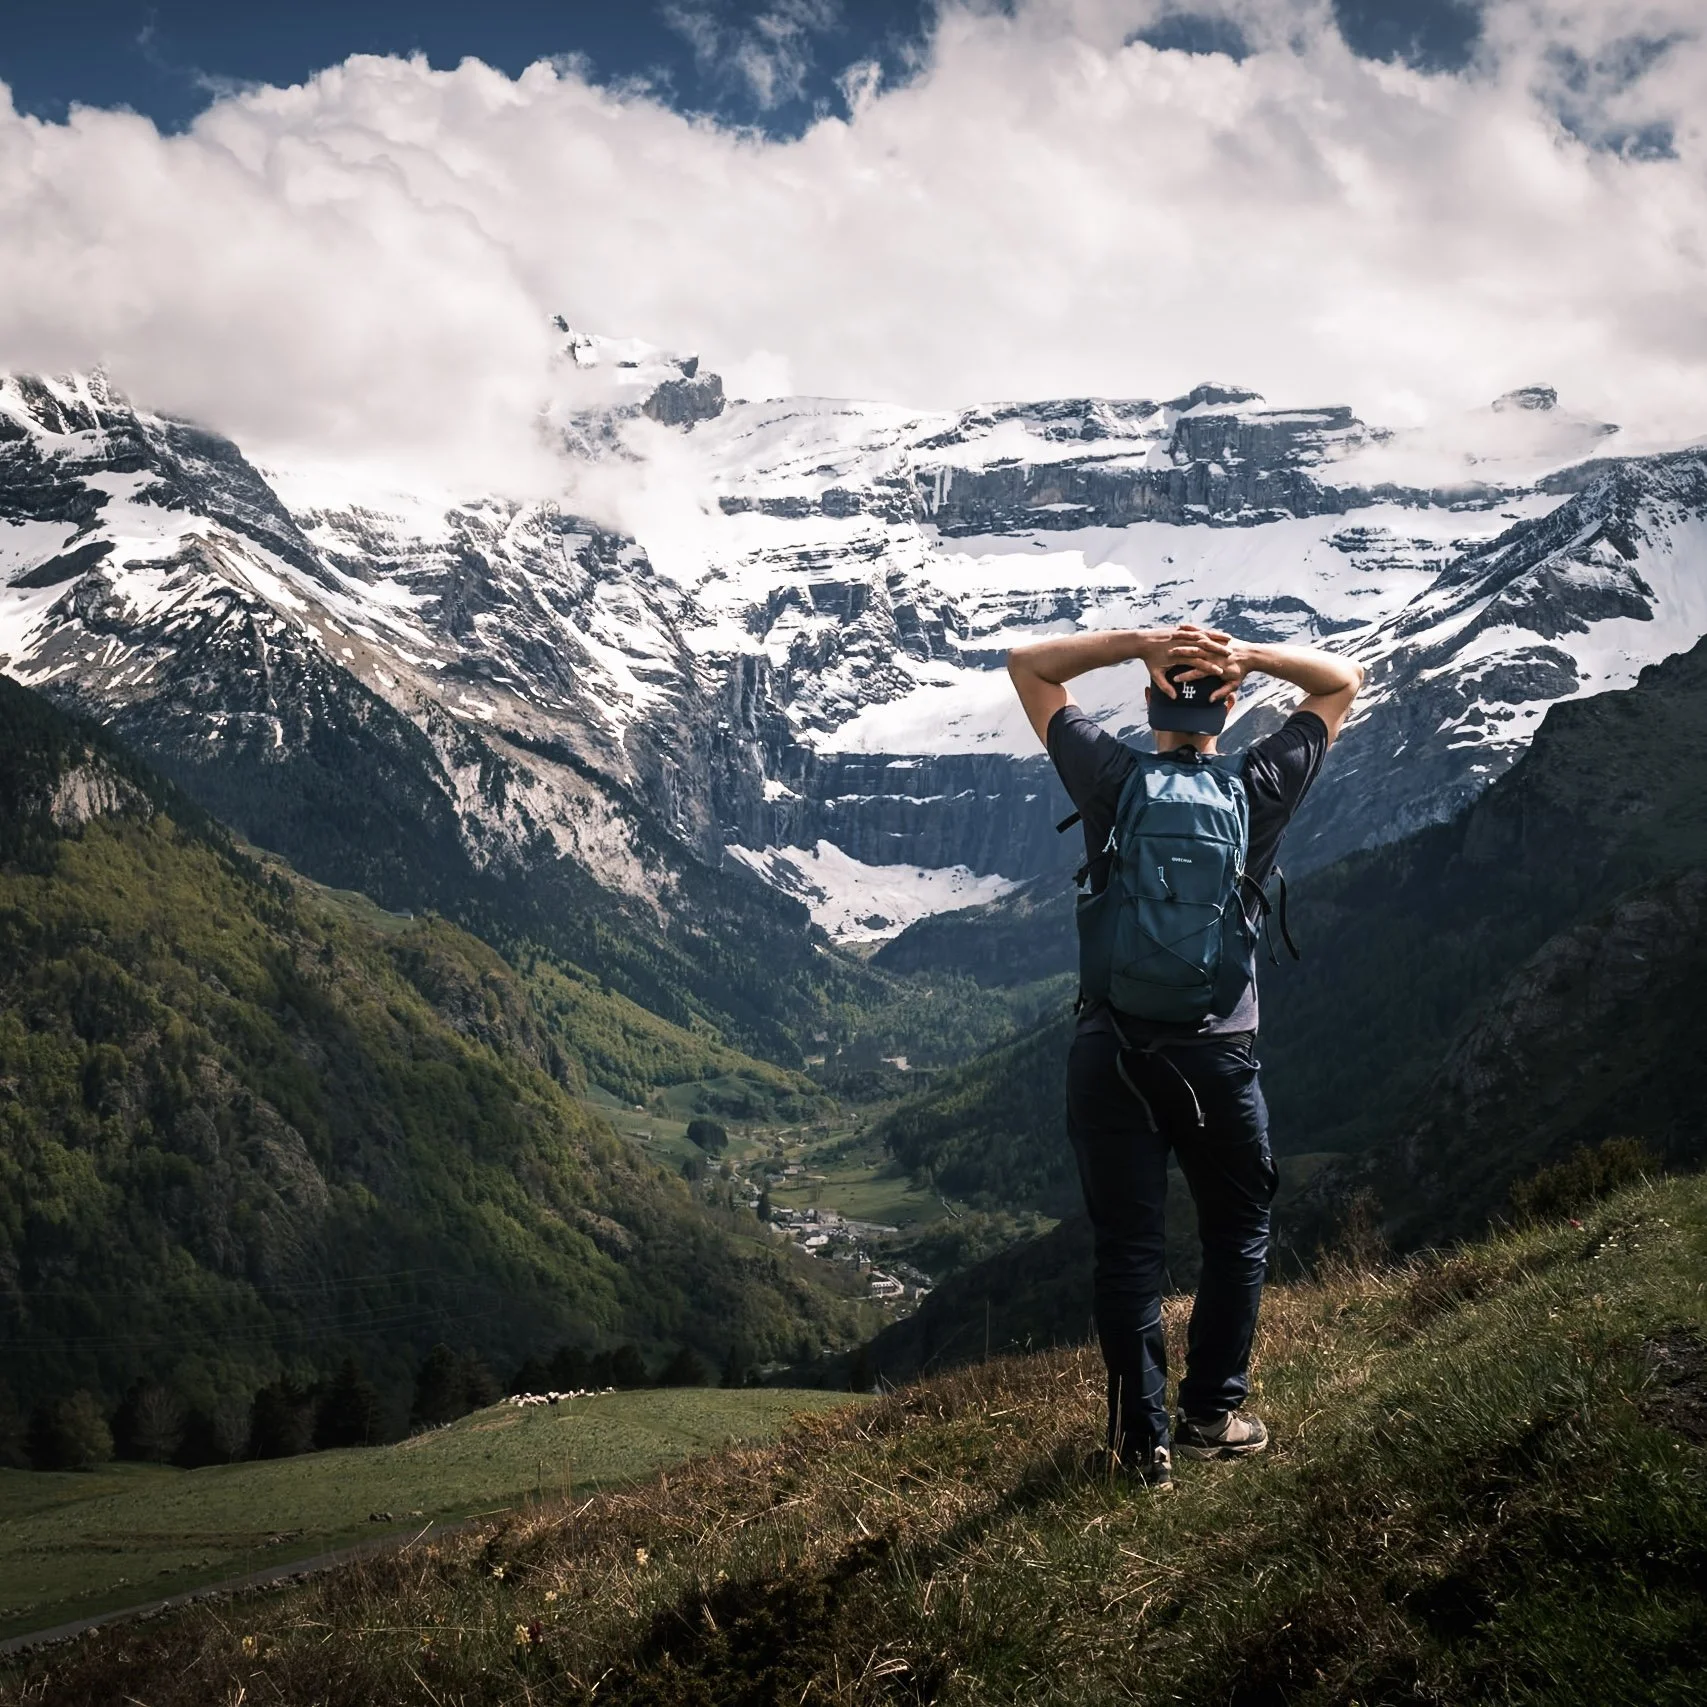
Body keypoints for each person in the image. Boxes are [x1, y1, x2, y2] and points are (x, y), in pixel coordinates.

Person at [1006, 623, 1364, 1488]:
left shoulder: (1112, 775)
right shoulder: (1260, 781)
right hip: (1217, 1052)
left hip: (1113, 1048)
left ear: (1148, 700)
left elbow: (1028, 667)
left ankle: (1141, 1446)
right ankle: (1210, 1412)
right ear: (1231, 704)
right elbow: (1340, 682)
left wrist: (1135, 640)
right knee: (1235, 1228)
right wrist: (1255, 657)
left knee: (1128, 1247)